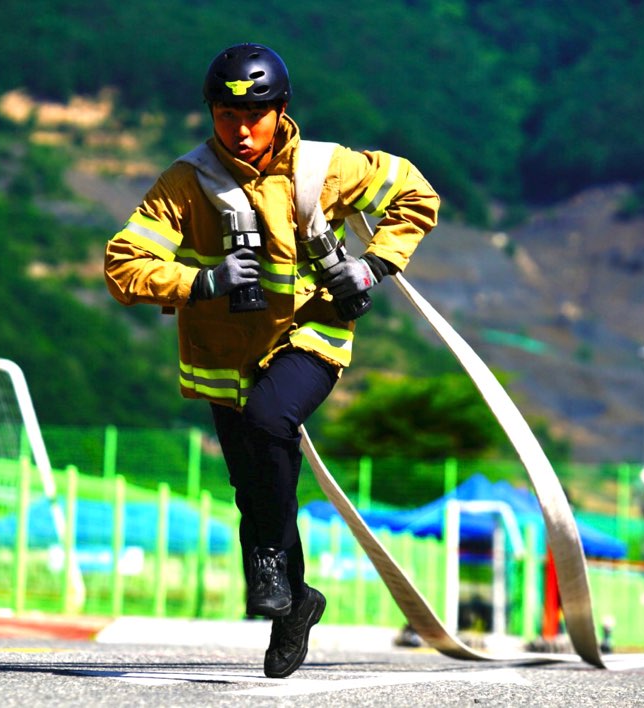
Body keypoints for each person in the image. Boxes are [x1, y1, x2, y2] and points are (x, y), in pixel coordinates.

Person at [104, 43, 439, 678]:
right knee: (252, 486)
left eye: (254, 114)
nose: (240, 128)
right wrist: (202, 281)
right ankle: (296, 603)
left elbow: (416, 194)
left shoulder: (325, 169)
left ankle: (268, 562)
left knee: (269, 420)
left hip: (311, 336)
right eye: (226, 114)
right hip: (225, 359)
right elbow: (123, 263)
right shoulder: (186, 183)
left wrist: (373, 265)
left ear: (281, 111)